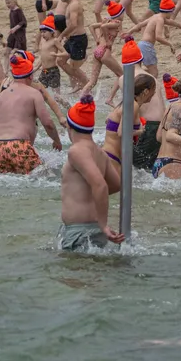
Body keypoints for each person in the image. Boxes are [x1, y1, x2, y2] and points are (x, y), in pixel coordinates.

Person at [58, 95, 124, 251]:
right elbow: (116, 185)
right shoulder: (100, 152)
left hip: (80, 232)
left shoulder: (76, 151)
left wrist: (104, 224)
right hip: (92, 229)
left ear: (70, 127)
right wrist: (92, 194)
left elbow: (101, 185)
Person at [0, 51, 61, 174]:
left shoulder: (0, 97)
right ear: (30, 76)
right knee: (45, 174)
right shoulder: (34, 93)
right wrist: (57, 140)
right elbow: (48, 123)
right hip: (20, 145)